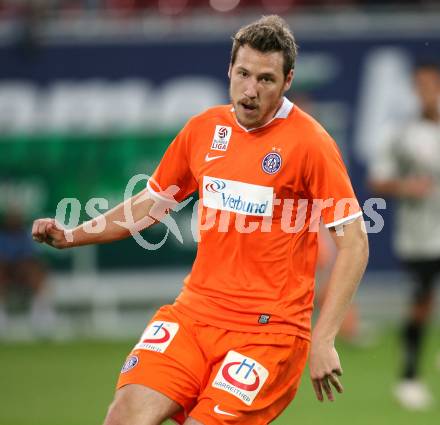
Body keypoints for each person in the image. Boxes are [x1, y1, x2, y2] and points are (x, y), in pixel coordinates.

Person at [32, 15, 368, 425]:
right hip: (194, 316)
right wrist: (71, 235)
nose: (250, 90)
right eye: (243, 74)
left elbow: (354, 243)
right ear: (229, 69)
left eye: (265, 79)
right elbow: (151, 203)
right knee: (123, 417)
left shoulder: (311, 143)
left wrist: (325, 337)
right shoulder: (204, 130)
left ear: (287, 81)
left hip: (269, 334)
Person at [368, 61, 440, 410]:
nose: (428, 92)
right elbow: (377, 179)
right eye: (421, 85)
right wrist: (406, 186)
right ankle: (409, 377)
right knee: (421, 304)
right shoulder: (403, 135)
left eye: (433, 85)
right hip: (420, 237)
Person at [0, 208, 54, 336]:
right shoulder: (2, 237)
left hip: (23, 272)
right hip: (6, 272)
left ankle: (40, 318)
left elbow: (32, 256)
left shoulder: (25, 236)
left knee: (35, 272)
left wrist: (22, 267)